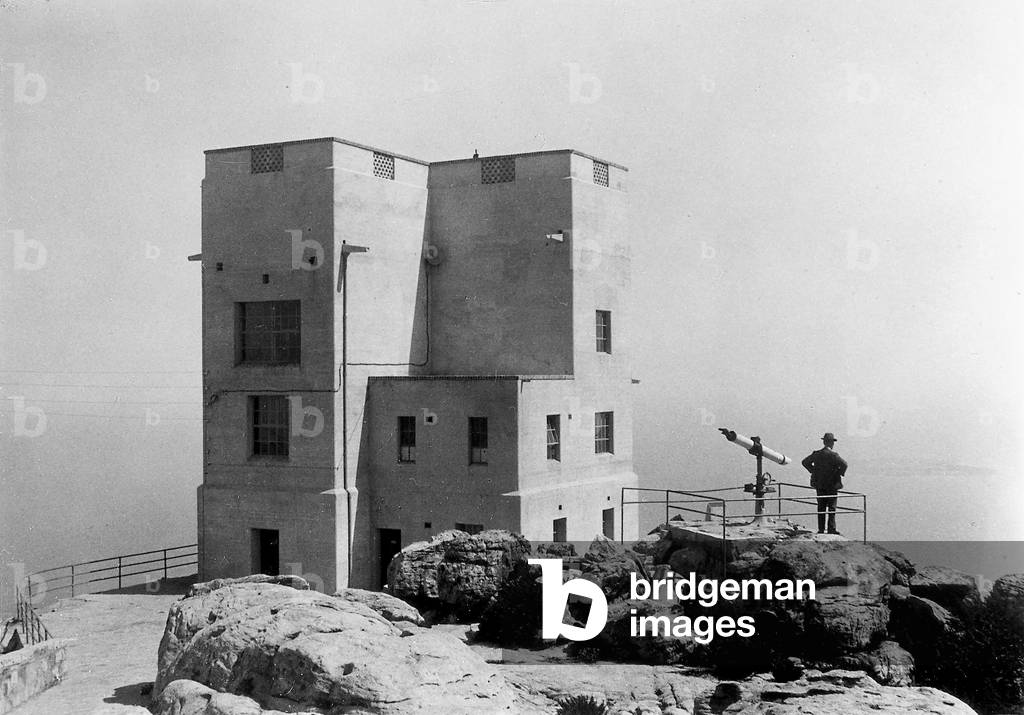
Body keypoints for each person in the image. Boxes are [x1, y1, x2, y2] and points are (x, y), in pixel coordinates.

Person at [801, 432, 848, 535]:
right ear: (831, 443)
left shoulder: (817, 454)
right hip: (832, 485)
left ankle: (821, 529)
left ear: (824, 442)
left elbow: (804, 462)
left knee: (821, 507)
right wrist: (840, 473)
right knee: (832, 507)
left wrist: (813, 471)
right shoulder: (834, 455)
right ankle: (831, 529)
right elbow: (845, 464)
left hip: (820, 484)